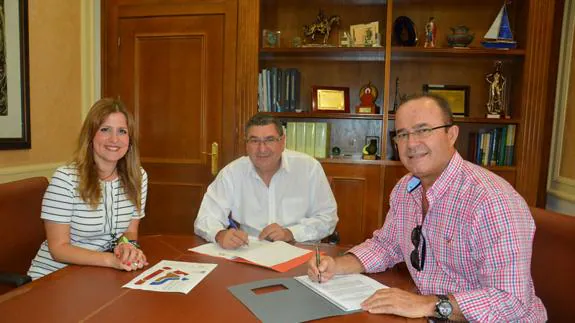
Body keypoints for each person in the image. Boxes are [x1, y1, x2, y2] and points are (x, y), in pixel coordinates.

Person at [308, 94, 547, 321]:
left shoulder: (491, 200)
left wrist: (426, 305)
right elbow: (387, 245)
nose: (411, 143)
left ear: (451, 134)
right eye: (402, 134)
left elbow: (511, 300)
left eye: (423, 130)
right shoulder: (405, 188)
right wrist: (338, 265)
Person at [27, 98, 148, 279]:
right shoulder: (66, 179)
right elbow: (58, 249)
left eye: (122, 131)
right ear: (90, 136)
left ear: (130, 141)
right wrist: (110, 260)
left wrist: (126, 246)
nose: (114, 139)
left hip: (96, 275)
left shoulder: (138, 177)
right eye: (105, 129)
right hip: (53, 277)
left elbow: (129, 231)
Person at [194, 114, 338, 249]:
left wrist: (291, 233)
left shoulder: (308, 168)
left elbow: (327, 218)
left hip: (298, 248)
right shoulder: (232, 173)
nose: (262, 149)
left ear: (282, 141)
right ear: (246, 144)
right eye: (255, 141)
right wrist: (220, 234)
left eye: (269, 140)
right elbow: (205, 218)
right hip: (249, 251)